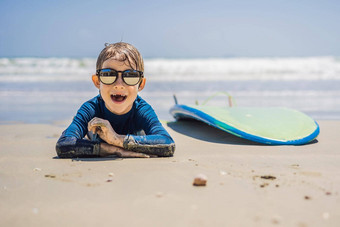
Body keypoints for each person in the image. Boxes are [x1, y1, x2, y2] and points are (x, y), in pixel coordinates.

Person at [56, 42, 175, 158]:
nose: (119, 84)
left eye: (130, 75)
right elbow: (64, 144)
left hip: (130, 136)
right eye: (108, 75)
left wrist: (116, 139)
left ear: (141, 84)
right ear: (97, 81)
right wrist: (113, 149)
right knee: (86, 125)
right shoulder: (91, 108)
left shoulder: (142, 109)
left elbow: (167, 143)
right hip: (95, 134)